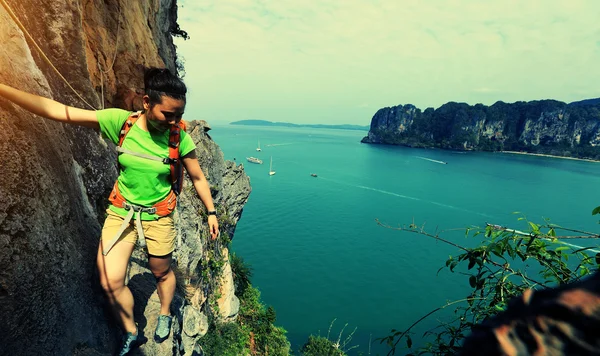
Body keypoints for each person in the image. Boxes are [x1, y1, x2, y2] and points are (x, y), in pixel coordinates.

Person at [0, 68, 219, 355]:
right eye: (168, 114)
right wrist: (4, 90)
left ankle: (165, 311)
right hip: (121, 213)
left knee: (161, 272)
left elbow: (198, 178)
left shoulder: (179, 138)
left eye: (179, 114)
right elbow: (61, 112)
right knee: (110, 281)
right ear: (146, 102)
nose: (175, 121)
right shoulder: (121, 123)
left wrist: (211, 212)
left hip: (159, 215)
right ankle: (131, 330)